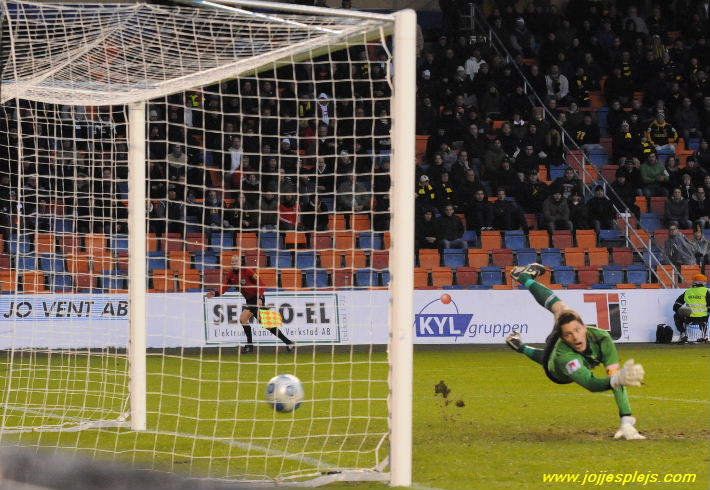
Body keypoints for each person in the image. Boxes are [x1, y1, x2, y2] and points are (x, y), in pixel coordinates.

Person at [505, 264, 646, 440]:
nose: (576, 337)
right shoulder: (565, 355)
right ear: (562, 337)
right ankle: (522, 347)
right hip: (556, 371)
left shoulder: (602, 339)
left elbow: (615, 375)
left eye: (578, 330)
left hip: (567, 348)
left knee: (563, 310)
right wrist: (617, 380)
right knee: (549, 360)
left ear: (585, 327)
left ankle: (525, 278)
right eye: (569, 335)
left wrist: (626, 419)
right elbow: (591, 383)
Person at [206, 256, 294, 354]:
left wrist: (260, 298)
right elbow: (224, 287)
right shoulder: (230, 274)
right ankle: (252, 345)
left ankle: (287, 342)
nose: (234, 262)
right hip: (249, 301)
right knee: (245, 320)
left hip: (257, 299)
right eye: (233, 261)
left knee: (266, 325)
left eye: (236, 261)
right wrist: (215, 293)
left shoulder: (247, 271)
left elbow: (261, 283)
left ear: (240, 262)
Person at [672, 274, 710, 343]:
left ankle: (683, 333)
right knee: (707, 314)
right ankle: (704, 336)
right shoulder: (706, 291)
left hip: (689, 319)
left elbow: (676, 306)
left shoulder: (688, 291)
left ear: (694, 282)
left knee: (676, 316)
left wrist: (679, 311)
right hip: (702, 318)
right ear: (703, 283)